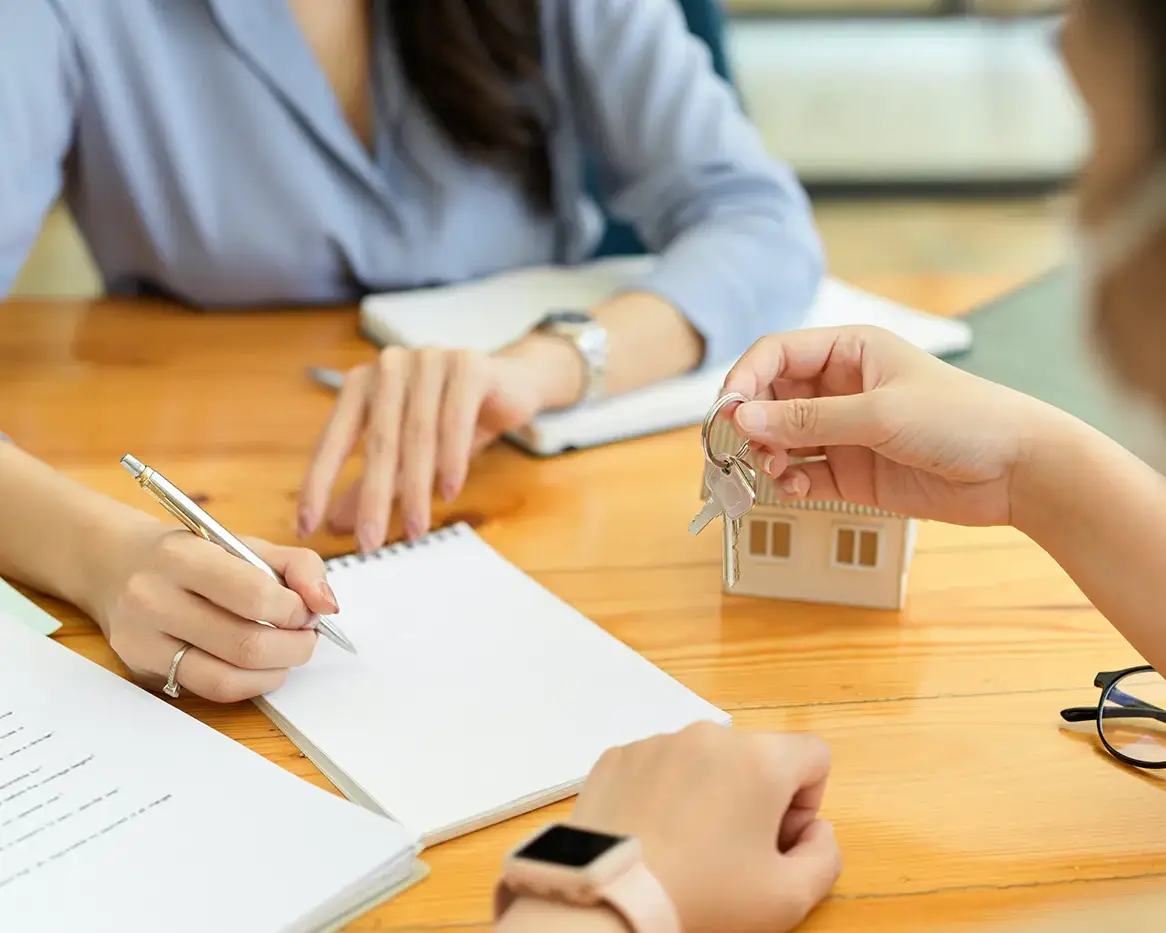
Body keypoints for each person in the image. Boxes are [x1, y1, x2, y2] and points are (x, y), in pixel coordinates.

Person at [0, 0, 822, 554]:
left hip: (558, 493)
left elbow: (756, 217)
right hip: (223, 500)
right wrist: (110, 558)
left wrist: (543, 367)